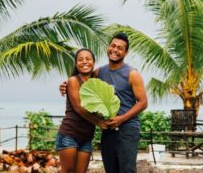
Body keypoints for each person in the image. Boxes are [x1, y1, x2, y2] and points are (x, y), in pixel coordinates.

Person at [59, 33, 148, 173]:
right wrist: (65, 85)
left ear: (126, 52)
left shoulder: (132, 74)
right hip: (108, 129)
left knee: (127, 170)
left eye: (120, 48)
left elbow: (143, 103)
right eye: (113, 46)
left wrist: (121, 119)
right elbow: (82, 80)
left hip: (128, 129)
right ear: (108, 47)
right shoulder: (99, 72)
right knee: (110, 169)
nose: (115, 50)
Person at [56, 48, 107, 173]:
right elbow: (79, 108)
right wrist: (99, 122)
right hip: (69, 134)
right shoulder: (73, 80)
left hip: (86, 137)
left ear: (93, 63)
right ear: (76, 64)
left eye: (88, 59)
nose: (84, 62)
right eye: (80, 59)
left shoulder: (96, 82)